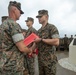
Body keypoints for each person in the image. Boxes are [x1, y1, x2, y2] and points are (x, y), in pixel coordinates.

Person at [0, 1, 32, 75]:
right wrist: (29, 50)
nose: (20, 14)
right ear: (14, 10)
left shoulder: (3, 25)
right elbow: (22, 48)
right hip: (13, 67)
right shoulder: (13, 25)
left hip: (4, 65)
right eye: (20, 12)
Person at [34, 9, 59, 75]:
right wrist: (29, 50)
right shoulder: (38, 31)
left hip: (49, 62)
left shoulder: (52, 28)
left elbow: (56, 42)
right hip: (40, 61)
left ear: (47, 17)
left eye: (40, 16)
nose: (39, 18)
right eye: (38, 17)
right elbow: (36, 44)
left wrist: (42, 40)